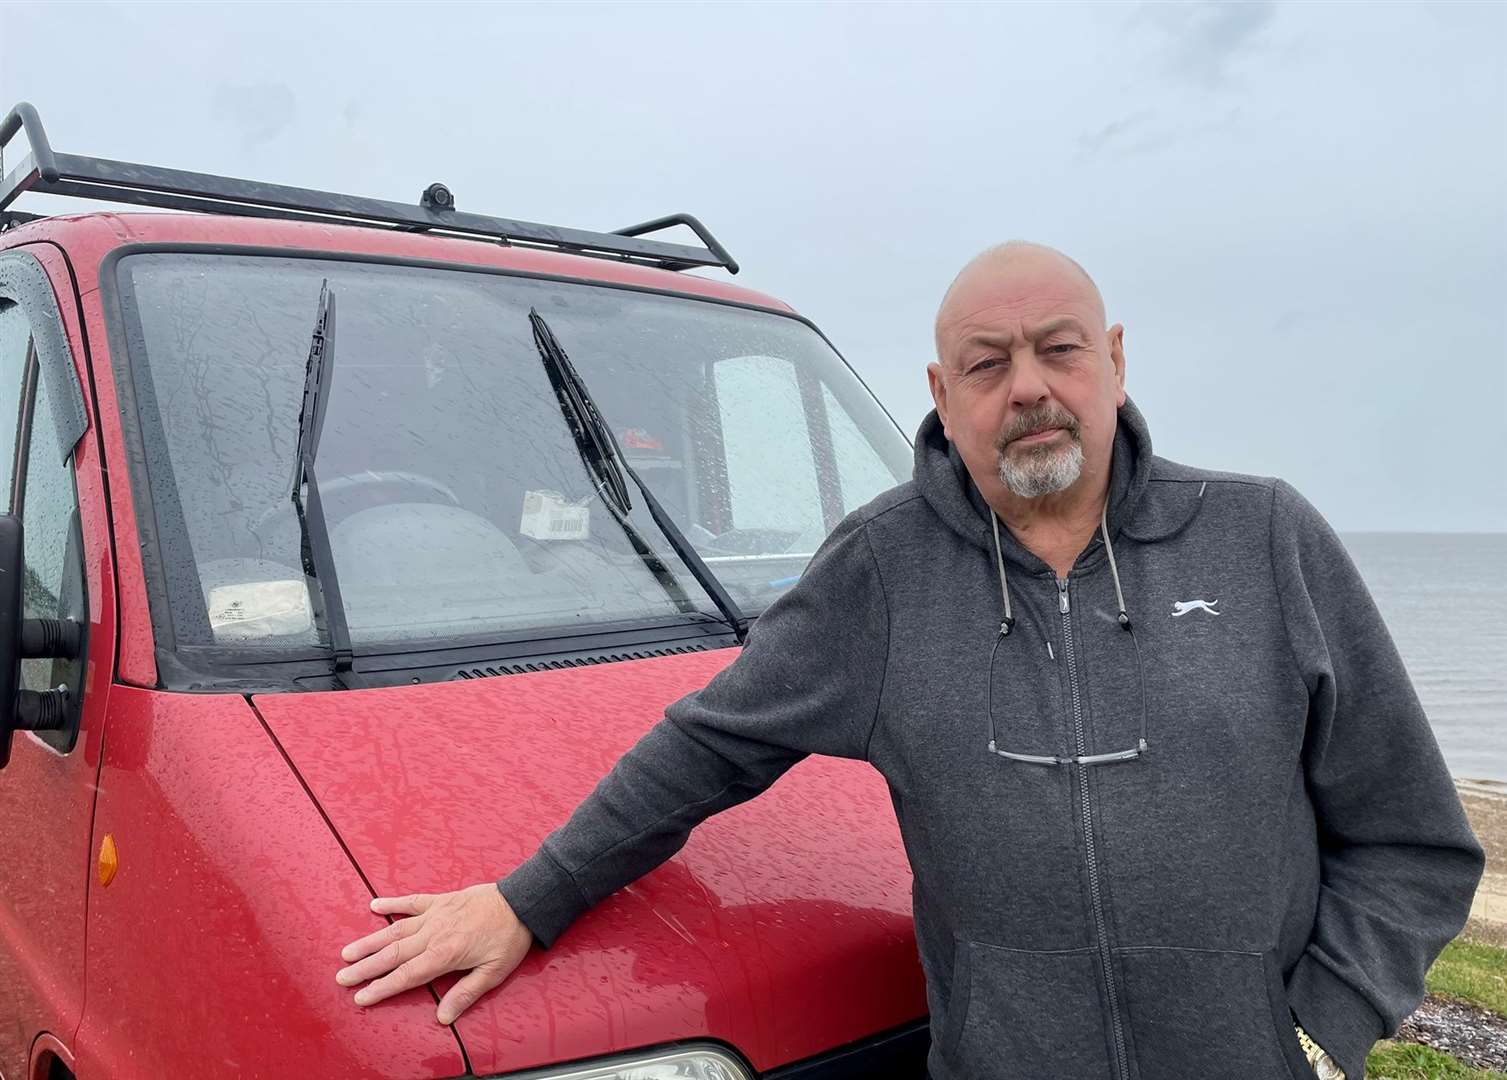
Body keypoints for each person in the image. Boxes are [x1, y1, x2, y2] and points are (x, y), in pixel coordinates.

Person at [334, 242, 1484, 1080]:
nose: (1026, 385)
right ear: (941, 396)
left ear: (1115, 363)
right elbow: (709, 745)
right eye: (985, 364)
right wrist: (529, 900)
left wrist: (1316, 1035)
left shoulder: (1263, 538)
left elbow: (1410, 839)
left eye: (1057, 350)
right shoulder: (880, 572)